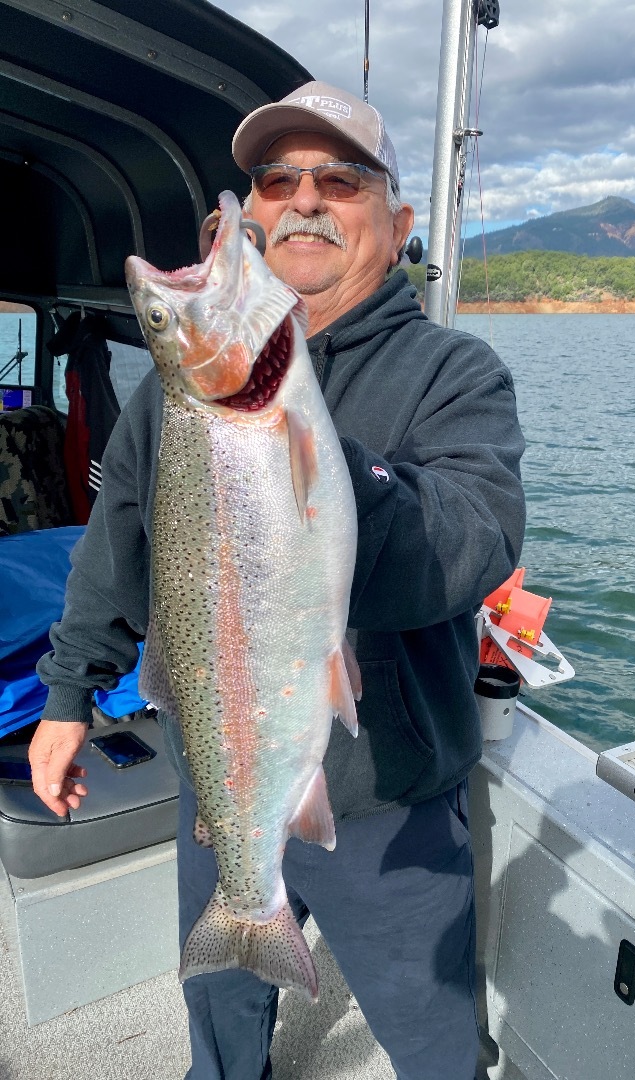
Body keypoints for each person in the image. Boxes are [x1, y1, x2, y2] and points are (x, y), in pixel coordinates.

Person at [30, 81, 526, 1080]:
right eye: (277, 178)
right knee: (217, 1006)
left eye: (339, 178)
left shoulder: (456, 373)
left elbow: (473, 540)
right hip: (220, 782)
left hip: (389, 799)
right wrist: (69, 695)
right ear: (250, 214)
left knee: (433, 1043)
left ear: (397, 221)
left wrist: (301, 460)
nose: (304, 198)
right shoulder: (181, 392)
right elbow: (112, 538)